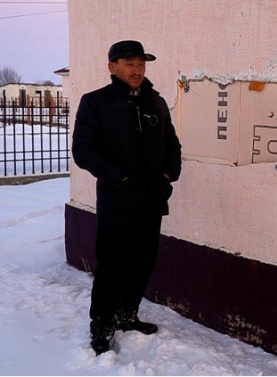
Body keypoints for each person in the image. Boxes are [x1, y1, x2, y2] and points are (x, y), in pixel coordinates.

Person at [71, 40, 182, 355]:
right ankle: (102, 324)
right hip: (117, 201)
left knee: (143, 262)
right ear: (112, 67)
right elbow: (83, 150)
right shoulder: (96, 102)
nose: (136, 70)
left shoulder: (155, 102)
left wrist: (167, 175)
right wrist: (120, 178)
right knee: (111, 267)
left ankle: (127, 314)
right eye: (129, 64)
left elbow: (172, 144)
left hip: (151, 201)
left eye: (140, 64)